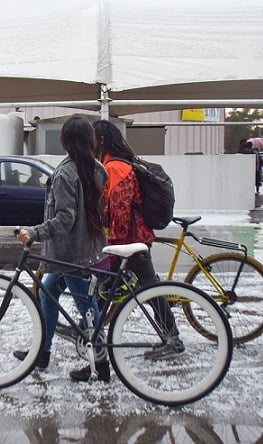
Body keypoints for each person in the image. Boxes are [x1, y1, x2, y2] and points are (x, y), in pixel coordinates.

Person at [14, 115, 110, 382]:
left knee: (88, 310)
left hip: (71, 256)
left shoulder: (65, 173)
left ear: (65, 140)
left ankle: (101, 366)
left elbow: (65, 219)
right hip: (87, 249)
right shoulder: (97, 168)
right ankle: (42, 352)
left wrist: (34, 233)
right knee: (48, 294)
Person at [91, 119, 183, 360]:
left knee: (148, 290)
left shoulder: (115, 168)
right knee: (111, 289)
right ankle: (91, 334)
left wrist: (114, 250)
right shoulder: (111, 164)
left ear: (100, 141)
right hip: (130, 241)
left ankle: (172, 340)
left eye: (91, 139)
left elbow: (120, 212)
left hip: (131, 244)